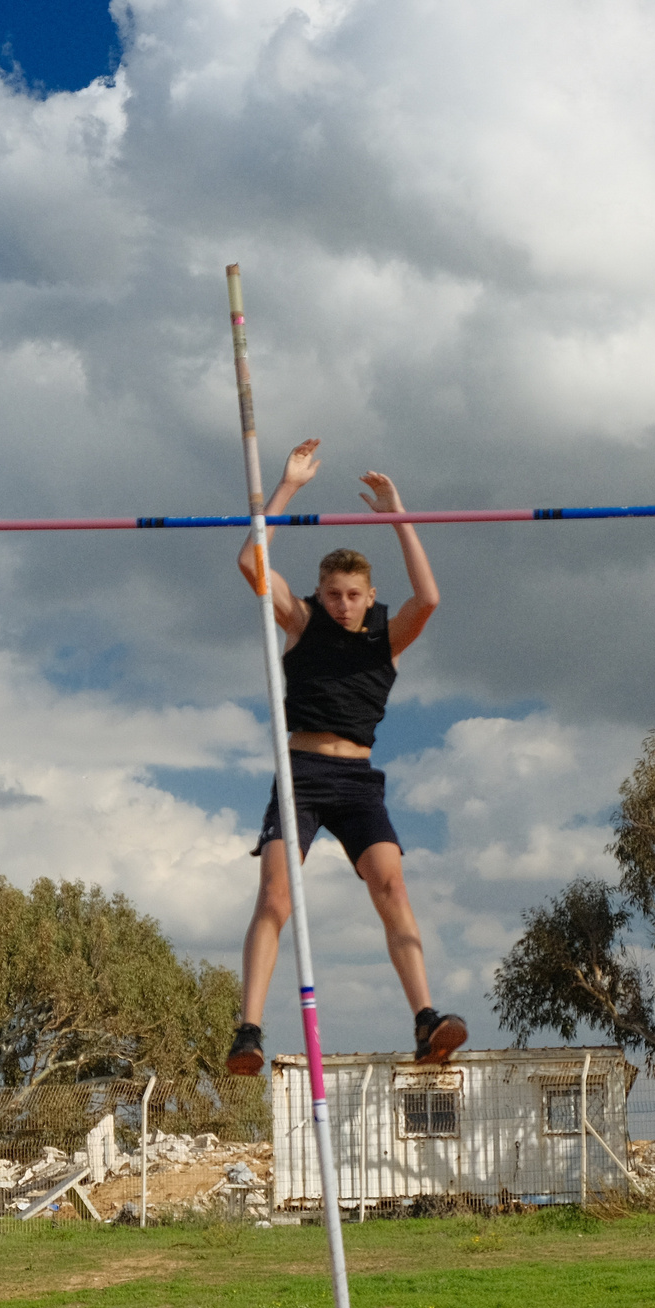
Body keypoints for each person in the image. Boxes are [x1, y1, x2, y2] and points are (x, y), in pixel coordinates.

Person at [226, 438, 467, 1076]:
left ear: (368, 594)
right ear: (321, 593)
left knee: (391, 883)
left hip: (358, 779)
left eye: (352, 595)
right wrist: (287, 489)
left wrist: (396, 512)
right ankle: (248, 1029)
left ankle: (425, 1020)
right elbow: (251, 560)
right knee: (276, 899)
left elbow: (432, 598)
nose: (341, 604)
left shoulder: (388, 635)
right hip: (302, 775)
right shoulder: (302, 622)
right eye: (332, 593)